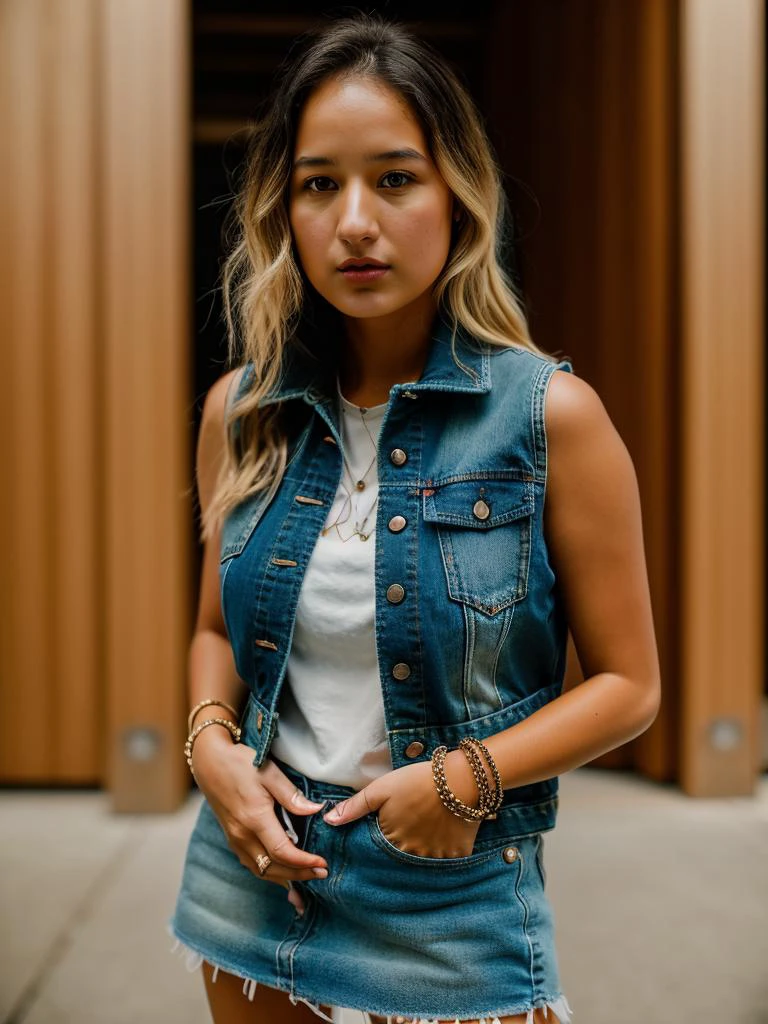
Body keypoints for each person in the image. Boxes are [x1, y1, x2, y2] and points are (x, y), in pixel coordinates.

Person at [167, 11, 661, 1024]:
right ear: (284, 208)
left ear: (458, 198)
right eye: (319, 183)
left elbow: (630, 686)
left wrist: (466, 777)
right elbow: (217, 629)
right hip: (253, 869)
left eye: (395, 177)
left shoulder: (547, 417)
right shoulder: (241, 411)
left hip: (450, 881)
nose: (354, 220)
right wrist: (211, 747)